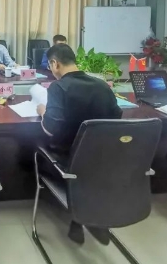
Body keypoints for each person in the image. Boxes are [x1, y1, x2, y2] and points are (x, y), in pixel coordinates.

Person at [36, 44, 122, 245]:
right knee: (88, 164)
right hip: (102, 158)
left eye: (50, 66)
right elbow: (116, 119)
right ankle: (86, 216)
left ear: (55, 63)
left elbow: (50, 128)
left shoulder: (59, 87)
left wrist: (42, 111)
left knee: (36, 152)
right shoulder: (102, 85)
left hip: (68, 159)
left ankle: (80, 213)